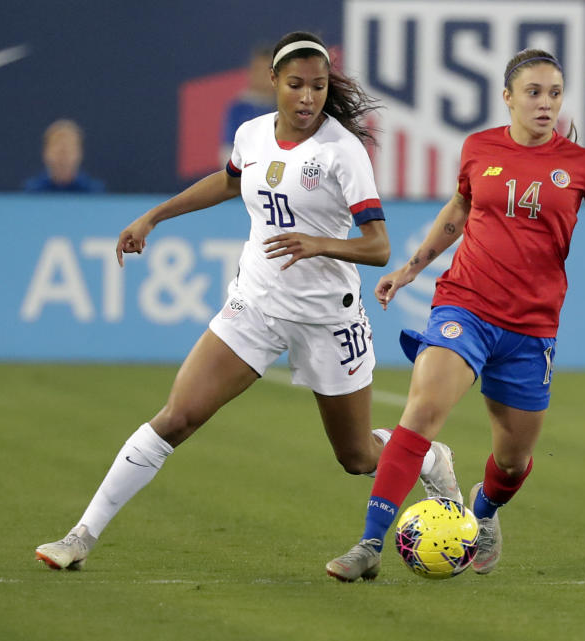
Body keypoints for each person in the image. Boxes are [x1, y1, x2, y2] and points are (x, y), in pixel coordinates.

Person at [34, 31, 461, 571]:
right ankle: (79, 538)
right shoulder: (253, 134)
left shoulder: (341, 150)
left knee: (355, 456)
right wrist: (153, 216)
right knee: (176, 417)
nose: (308, 97)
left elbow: (378, 246)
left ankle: (425, 454)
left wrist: (319, 243)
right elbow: (229, 182)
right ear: (274, 83)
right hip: (254, 306)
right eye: (297, 85)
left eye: (319, 86)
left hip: (328, 317)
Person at [325, 48, 585, 582]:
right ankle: (369, 543)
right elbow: (459, 208)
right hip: (465, 305)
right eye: (534, 93)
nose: (546, 104)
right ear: (508, 98)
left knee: (512, 462)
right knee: (423, 411)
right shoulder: (480, 148)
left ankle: (487, 510)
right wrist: (411, 268)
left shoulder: (582, 165)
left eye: (555, 93)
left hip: (530, 329)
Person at [219, 45, 277, 167]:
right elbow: (227, 153)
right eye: (257, 70)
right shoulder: (239, 109)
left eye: (266, 71)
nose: (262, 76)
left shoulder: (284, 106)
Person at [23, 119, 105, 192]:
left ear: (79, 154)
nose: (62, 159)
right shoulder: (33, 191)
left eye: (68, 151)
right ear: (46, 153)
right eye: (58, 151)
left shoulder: (93, 192)